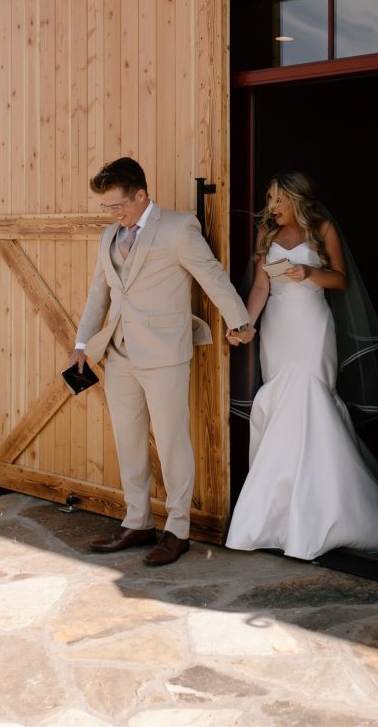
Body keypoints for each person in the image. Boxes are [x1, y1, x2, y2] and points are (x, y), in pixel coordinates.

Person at [68, 157, 254, 566]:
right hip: (118, 354)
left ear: (141, 195)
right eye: (107, 208)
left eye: (119, 205)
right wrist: (83, 344)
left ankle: (178, 529)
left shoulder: (177, 228)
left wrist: (240, 321)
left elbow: (212, 276)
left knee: (171, 442)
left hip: (165, 354)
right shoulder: (108, 237)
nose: (114, 214)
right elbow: (98, 294)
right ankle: (137, 521)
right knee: (128, 441)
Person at [226, 171, 378, 560]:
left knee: (310, 402)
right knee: (282, 405)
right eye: (270, 200)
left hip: (312, 325)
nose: (272, 208)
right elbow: (260, 286)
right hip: (278, 329)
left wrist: (309, 273)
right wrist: (246, 326)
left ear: (297, 199)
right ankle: (277, 516)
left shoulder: (323, 227)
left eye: (278, 201)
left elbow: (340, 278)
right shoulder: (266, 235)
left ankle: (321, 514)